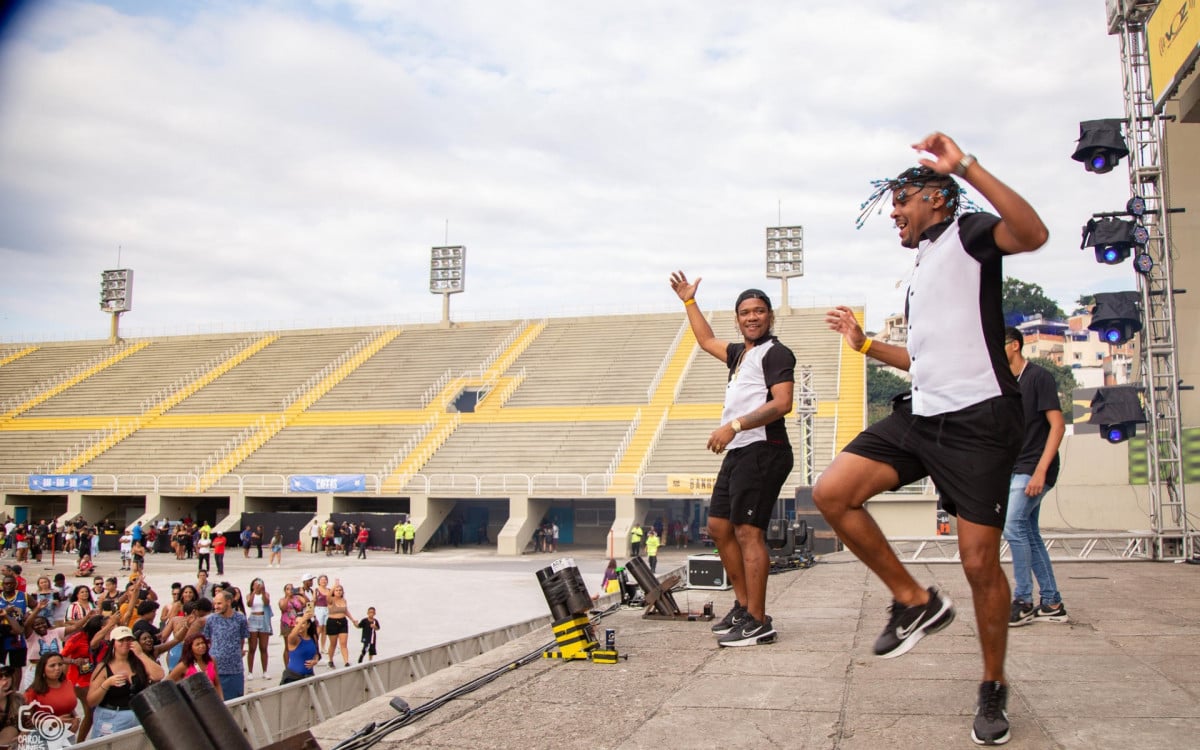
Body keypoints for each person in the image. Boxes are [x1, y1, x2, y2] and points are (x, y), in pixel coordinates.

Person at [817, 132, 1049, 746]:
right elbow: (926, 360)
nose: (893, 212)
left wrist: (967, 166)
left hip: (979, 422)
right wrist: (865, 345)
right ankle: (914, 599)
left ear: (937, 199)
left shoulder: (971, 236)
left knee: (978, 564)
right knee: (833, 492)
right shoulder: (922, 266)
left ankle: (992, 685)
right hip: (924, 414)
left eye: (901, 203)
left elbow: (1033, 234)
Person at [670, 274, 795, 648]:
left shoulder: (776, 353)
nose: (752, 317)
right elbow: (706, 340)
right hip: (742, 450)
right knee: (719, 527)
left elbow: (782, 403)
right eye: (745, 312)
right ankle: (742, 607)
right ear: (737, 319)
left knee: (748, 532)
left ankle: (758, 620)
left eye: (759, 311)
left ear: (769, 316)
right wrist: (689, 302)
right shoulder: (741, 353)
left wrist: (734, 426)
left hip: (764, 448)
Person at [1002, 328, 1069, 627]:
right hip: (1016, 468)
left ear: (1015, 346)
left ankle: (1024, 600)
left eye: (999, 344)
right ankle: (1052, 602)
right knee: (1028, 532)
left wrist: (1041, 471)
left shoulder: (1039, 378)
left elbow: (1057, 426)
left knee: (1012, 526)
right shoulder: (1005, 383)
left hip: (1036, 467)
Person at [86, 625, 164, 738]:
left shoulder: (140, 662)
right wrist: (107, 684)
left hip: (137, 714)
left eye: (129, 639)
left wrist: (141, 654)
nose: (125, 643)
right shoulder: (104, 667)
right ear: (113, 643)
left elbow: (159, 675)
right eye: (121, 640)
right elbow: (91, 701)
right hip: (112, 716)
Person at [201, 590, 249, 700]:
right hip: (216, 668)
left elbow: (242, 639)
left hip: (235, 669)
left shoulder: (240, 618)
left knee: (236, 702)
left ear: (228, 602)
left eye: (219, 603)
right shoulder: (211, 619)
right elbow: (208, 640)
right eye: (215, 604)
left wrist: (237, 653)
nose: (216, 606)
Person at [23, 653, 80, 740]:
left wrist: (76, 719)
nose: (57, 668)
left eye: (60, 664)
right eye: (52, 666)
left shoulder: (68, 683)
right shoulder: (33, 691)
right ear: (43, 669)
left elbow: (69, 706)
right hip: (43, 738)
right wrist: (52, 722)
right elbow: (26, 720)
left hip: (67, 735)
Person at [167, 633, 223, 701]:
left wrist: (221, 699)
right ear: (190, 647)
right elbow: (167, 682)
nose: (201, 646)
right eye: (197, 644)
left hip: (212, 701)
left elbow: (217, 683)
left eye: (203, 643)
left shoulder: (212, 660)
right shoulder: (184, 665)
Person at [280, 606, 320, 685]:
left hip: (309, 676)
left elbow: (316, 653)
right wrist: (303, 620)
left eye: (303, 623)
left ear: (308, 625)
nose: (299, 625)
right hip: (292, 677)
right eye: (297, 623)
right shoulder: (294, 639)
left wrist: (315, 661)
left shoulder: (313, 637)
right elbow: (292, 634)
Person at [245, 578, 272, 681]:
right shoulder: (250, 594)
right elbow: (249, 604)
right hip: (253, 619)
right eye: (256, 584)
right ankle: (250, 672)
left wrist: (263, 591)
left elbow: (266, 603)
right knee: (252, 647)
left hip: (263, 619)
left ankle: (265, 671)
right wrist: (254, 592)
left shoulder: (266, 594)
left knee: (264, 647)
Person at [324, 584, 353, 668]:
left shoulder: (344, 600)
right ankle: (330, 660)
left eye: (340, 590)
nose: (338, 591)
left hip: (343, 622)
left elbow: (346, 611)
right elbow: (328, 597)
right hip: (332, 622)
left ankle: (346, 662)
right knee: (333, 643)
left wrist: (352, 619)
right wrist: (334, 586)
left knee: (343, 643)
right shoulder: (331, 600)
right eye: (337, 590)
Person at [0, 666, 22, 750]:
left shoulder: (19, 699)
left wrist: (24, 732)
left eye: (7, 675)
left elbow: (27, 723)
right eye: (0, 676)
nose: (5, 680)